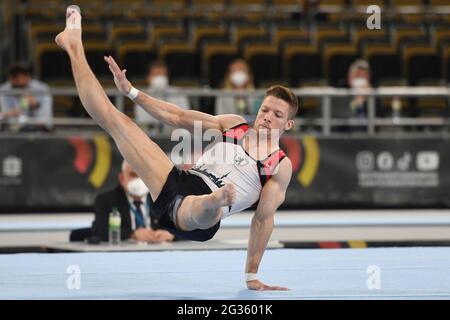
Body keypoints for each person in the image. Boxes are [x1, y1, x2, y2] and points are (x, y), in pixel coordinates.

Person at [55, 5, 296, 291]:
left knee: (203, 206)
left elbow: (262, 220)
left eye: (277, 115)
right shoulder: (234, 125)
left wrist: (251, 276)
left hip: (204, 217)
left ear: (288, 125)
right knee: (114, 120)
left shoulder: (279, 165)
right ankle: (74, 46)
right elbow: (178, 117)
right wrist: (131, 92)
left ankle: (215, 199)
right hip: (177, 183)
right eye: (266, 109)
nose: (268, 117)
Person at [91, 160, 176, 243]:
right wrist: (132, 234)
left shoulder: (163, 199)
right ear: (122, 179)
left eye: (143, 175)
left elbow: (185, 227)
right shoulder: (106, 200)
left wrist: (172, 234)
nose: (139, 180)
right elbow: (98, 231)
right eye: (133, 175)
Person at [134, 60, 189, 130]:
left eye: (162, 75)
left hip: (176, 133)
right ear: (148, 78)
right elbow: (142, 120)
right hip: (151, 134)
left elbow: (185, 116)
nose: (160, 78)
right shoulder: (141, 95)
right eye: (156, 75)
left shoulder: (178, 93)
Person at [0, 63, 53, 131]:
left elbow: (45, 120)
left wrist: (36, 106)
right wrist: (10, 114)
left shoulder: (42, 89)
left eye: (17, 76)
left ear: (28, 77)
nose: (14, 80)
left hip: (39, 130)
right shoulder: (4, 90)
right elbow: (6, 116)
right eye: (12, 77)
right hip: (12, 130)